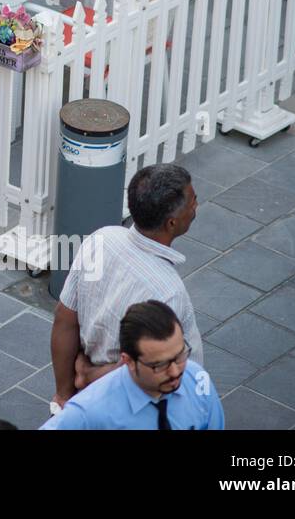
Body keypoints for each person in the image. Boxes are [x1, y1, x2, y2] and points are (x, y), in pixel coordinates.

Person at [49, 163, 203, 408]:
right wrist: (87, 376)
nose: (196, 206)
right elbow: (138, 371)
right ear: (171, 223)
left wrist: (64, 397)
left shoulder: (102, 239)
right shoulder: (168, 293)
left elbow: (64, 319)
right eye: (193, 201)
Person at [41, 300, 224, 430]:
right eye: (159, 365)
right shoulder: (88, 412)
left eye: (179, 356)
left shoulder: (198, 381)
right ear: (127, 361)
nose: (176, 371)